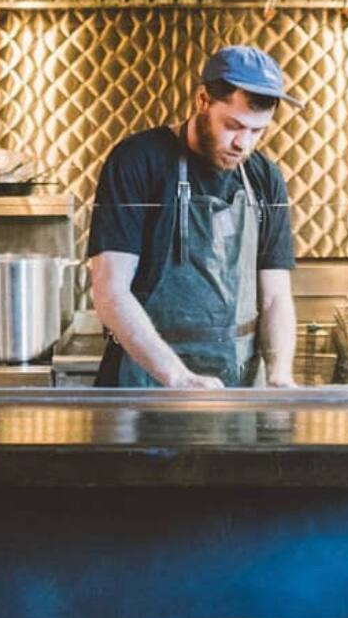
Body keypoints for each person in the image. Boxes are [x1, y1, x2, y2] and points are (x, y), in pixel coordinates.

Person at [88, 45, 299, 388]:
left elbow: (275, 295)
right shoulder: (138, 161)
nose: (243, 144)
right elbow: (110, 290)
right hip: (147, 382)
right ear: (203, 100)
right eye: (233, 125)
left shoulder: (265, 177)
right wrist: (177, 377)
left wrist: (279, 374)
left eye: (258, 131)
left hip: (237, 382)